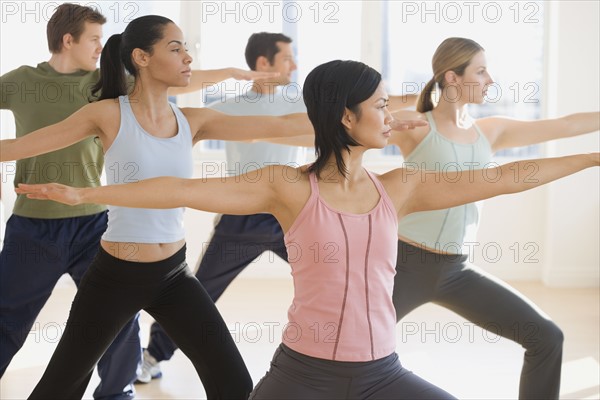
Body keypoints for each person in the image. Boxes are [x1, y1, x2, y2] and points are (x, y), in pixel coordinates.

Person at [14, 59, 599, 399]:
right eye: (377, 106)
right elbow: (183, 191)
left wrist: (593, 157)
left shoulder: (402, 186)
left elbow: (508, 177)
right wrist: (87, 193)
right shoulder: (289, 187)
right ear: (345, 117)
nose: (391, 115)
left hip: (382, 375)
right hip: (301, 376)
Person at [0, 14, 313, 399]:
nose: (188, 57)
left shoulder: (192, 120)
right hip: (114, 277)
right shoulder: (108, 114)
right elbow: (15, 148)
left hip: (173, 276)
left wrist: (353, 121)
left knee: (233, 382)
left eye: (187, 48)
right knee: (59, 387)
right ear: (141, 58)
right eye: (176, 48)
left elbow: (280, 126)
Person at [387, 37, 600, 400]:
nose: (490, 79)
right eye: (481, 71)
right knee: (350, 348)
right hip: (404, 264)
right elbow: (347, 124)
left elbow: (565, 125)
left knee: (546, 337)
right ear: (452, 77)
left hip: (456, 270)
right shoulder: (417, 127)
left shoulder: (489, 131)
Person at [136, 31, 309, 383]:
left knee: (331, 274)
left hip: (288, 216)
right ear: (264, 63)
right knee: (201, 291)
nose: (294, 65)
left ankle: (349, 355)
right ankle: (153, 354)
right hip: (240, 216)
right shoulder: (229, 107)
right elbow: (178, 128)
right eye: (287, 58)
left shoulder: (301, 103)